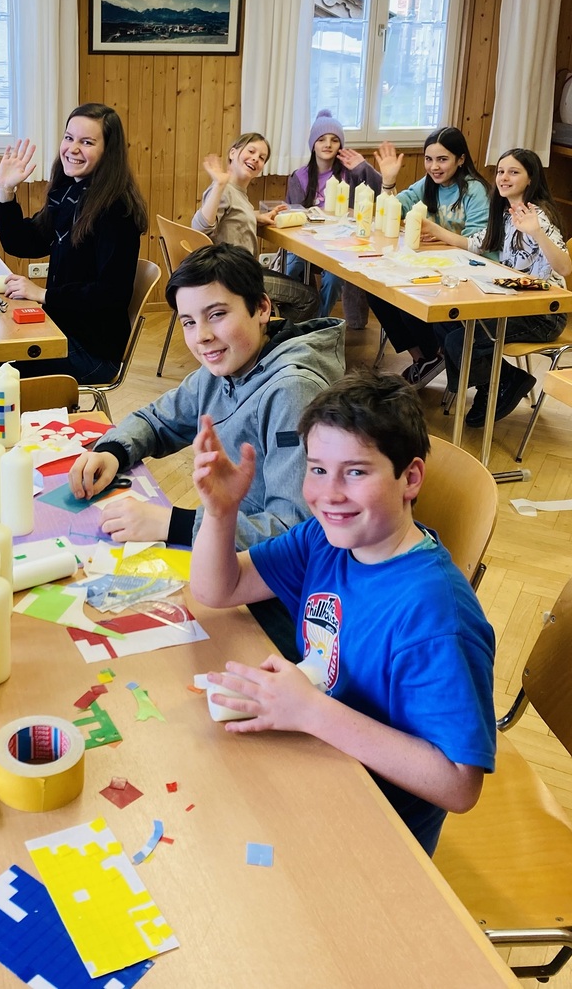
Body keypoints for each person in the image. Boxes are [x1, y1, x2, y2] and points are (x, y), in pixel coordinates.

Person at [188, 370, 496, 856]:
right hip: (320, 760)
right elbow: (217, 588)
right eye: (316, 469)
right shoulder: (325, 539)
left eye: (355, 472)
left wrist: (311, 711)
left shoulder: (435, 615)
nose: (329, 494)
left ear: (410, 478)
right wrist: (221, 513)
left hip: (380, 829)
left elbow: (458, 785)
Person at [69, 245, 345, 656]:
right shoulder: (226, 364)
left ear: (262, 308)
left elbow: (297, 531)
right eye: (189, 322)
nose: (202, 336)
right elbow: (158, 419)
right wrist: (112, 451)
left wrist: (174, 523)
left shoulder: (293, 391)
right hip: (228, 559)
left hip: (284, 600)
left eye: (217, 315)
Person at [0, 104, 148, 384]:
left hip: (92, 352)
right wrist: (5, 191)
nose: (72, 149)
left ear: (108, 152)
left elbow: (111, 293)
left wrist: (44, 295)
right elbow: (23, 243)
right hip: (61, 328)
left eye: (87, 142)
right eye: (69, 138)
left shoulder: (117, 210)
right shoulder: (71, 193)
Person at [423, 148, 571, 427]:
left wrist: (537, 232)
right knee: (444, 321)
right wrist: (430, 227)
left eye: (513, 172)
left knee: (459, 341)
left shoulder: (538, 217)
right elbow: (474, 243)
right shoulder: (505, 213)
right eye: (501, 171)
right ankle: (501, 380)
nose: (503, 177)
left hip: (543, 314)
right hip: (511, 303)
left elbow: (565, 268)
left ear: (531, 179)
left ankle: (499, 385)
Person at [367, 127, 491, 386]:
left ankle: (435, 354)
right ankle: (424, 358)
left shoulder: (474, 190)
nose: (434, 167)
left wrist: (439, 233)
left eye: (442, 159)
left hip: (467, 273)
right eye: (429, 159)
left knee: (410, 297)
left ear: (461, 159)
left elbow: (477, 245)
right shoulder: (427, 184)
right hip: (435, 266)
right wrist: (388, 183)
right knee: (377, 290)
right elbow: (390, 212)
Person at [192, 131, 318, 324]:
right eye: (251, 151)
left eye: (261, 158)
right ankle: (261, 333)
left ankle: (257, 326)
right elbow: (200, 229)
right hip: (235, 276)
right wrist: (218, 185)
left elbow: (231, 217)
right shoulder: (223, 190)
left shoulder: (236, 192)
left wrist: (256, 217)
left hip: (239, 271)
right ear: (233, 153)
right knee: (309, 298)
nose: (255, 159)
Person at [284, 109, 381, 323]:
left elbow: (378, 191)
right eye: (321, 139)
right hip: (306, 241)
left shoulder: (350, 174)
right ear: (313, 145)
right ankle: (291, 315)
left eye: (334, 140)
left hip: (340, 243)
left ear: (340, 146)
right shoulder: (299, 176)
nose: (328, 144)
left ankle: (319, 320)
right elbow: (293, 213)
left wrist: (364, 168)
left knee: (335, 277)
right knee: (291, 266)